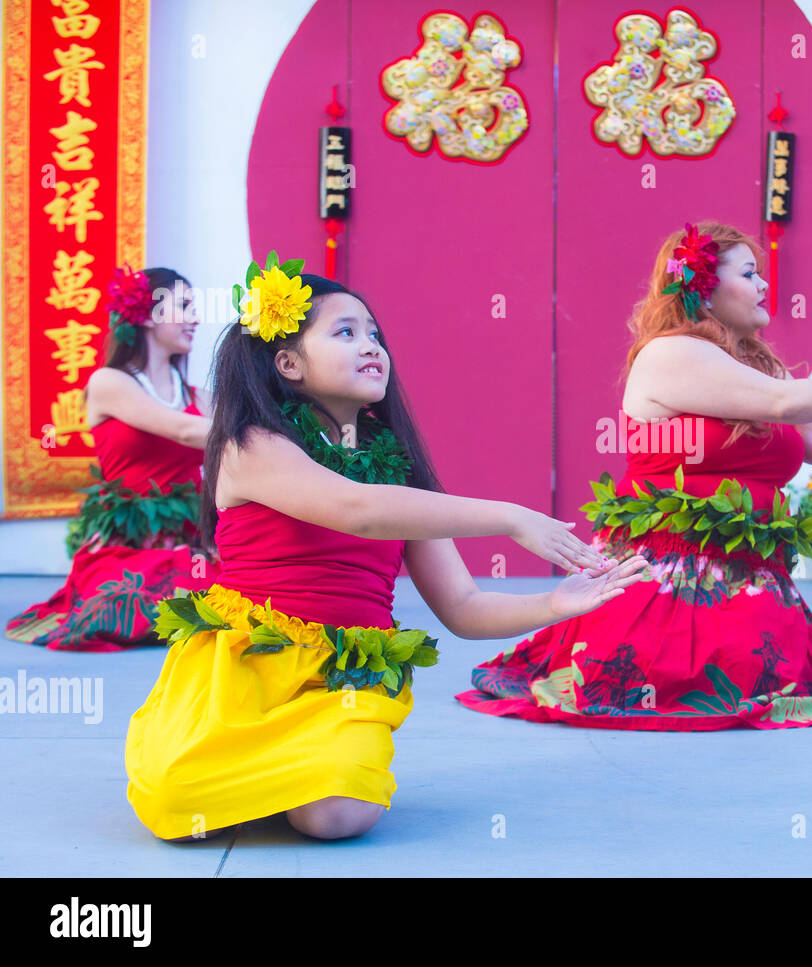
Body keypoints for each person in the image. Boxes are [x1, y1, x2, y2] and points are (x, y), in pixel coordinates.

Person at [124, 255, 646, 841]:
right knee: (175, 802)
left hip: (344, 681)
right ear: (288, 362)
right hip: (245, 669)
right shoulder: (252, 446)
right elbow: (355, 509)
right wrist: (508, 517)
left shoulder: (398, 471)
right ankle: (265, 773)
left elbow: (464, 607)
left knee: (338, 816)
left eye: (375, 334)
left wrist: (555, 604)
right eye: (346, 332)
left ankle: (291, 777)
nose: (372, 346)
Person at [457, 221, 812, 729]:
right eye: (749, 273)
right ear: (704, 289)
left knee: (769, 689)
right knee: (671, 688)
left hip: (749, 583)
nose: (764, 285)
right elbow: (783, 404)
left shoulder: (757, 366)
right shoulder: (670, 354)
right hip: (663, 582)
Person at [6, 266, 219, 651]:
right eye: (184, 306)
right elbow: (185, 432)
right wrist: (252, 435)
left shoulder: (198, 396)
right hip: (127, 541)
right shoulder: (109, 383)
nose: (195, 318)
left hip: (193, 538)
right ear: (148, 314)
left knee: (231, 590)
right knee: (132, 604)